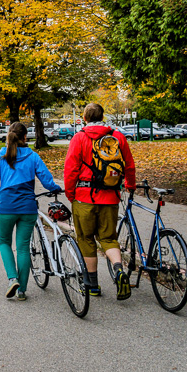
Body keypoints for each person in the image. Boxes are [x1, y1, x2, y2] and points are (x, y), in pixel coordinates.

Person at [64, 102, 136, 299]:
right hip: (110, 196)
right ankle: (119, 270)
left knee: (86, 239)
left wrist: (71, 194)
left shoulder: (79, 138)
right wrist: (130, 185)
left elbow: (70, 170)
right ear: (102, 117)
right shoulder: (117, 136)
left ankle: (93, 285)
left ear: (85, 118)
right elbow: (128, 164)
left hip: (84, 196)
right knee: (108, 238)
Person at [0, 121, 62, 301]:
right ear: (25, 137)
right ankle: (22, 291)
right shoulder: (33, 156)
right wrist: (55, 188)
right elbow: (46, 179)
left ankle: (12, 279)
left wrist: (1, 193)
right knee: (22, 247)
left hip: (6, 207)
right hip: (28, 208)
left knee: (4, 242)